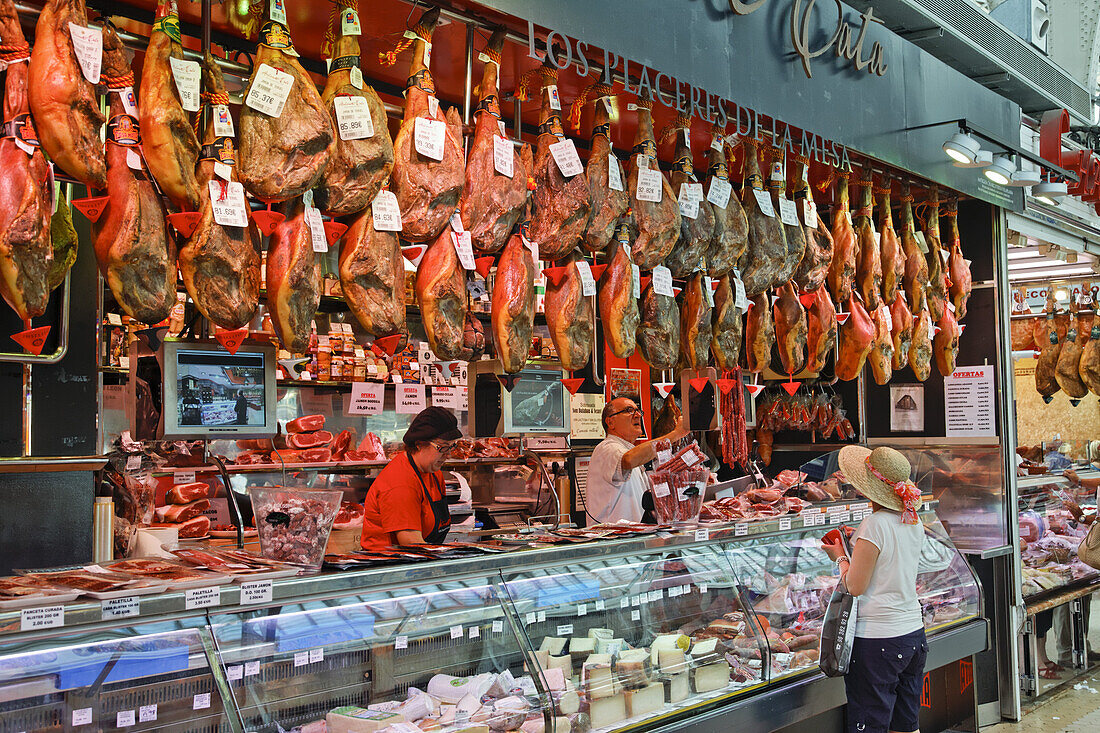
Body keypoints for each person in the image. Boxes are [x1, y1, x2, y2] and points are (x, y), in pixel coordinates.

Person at [821, 446, 927, 733]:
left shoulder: (874, 525)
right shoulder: (913, 520)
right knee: (906, 725)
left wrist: (840, 557)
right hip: (912, 635)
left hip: (878, 641)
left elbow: (855, 586)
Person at [360, 407, 462, 550]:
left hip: (421, 561)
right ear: (419, 444)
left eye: (452, 447)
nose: (448, 454)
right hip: (391, 566)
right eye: (443, 447)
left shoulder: (433, 472)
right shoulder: (400, 483)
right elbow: (412, 544)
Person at [586, 397, 690, 524]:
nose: (637, 415)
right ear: (610, 422)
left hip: (631, 538)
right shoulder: (606, 448)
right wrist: (675, 434)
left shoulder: (628, 452)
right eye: (629, 410)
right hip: (612, 538)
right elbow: (628, 460)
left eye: (638, 410)